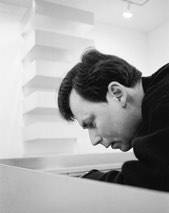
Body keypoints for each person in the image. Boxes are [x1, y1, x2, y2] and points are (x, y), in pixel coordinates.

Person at [57, 48, 169, 192]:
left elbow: (154, 182)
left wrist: (92, 180)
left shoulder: (163, 99)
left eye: (91, 123)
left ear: (117, 94)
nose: (94, 140)